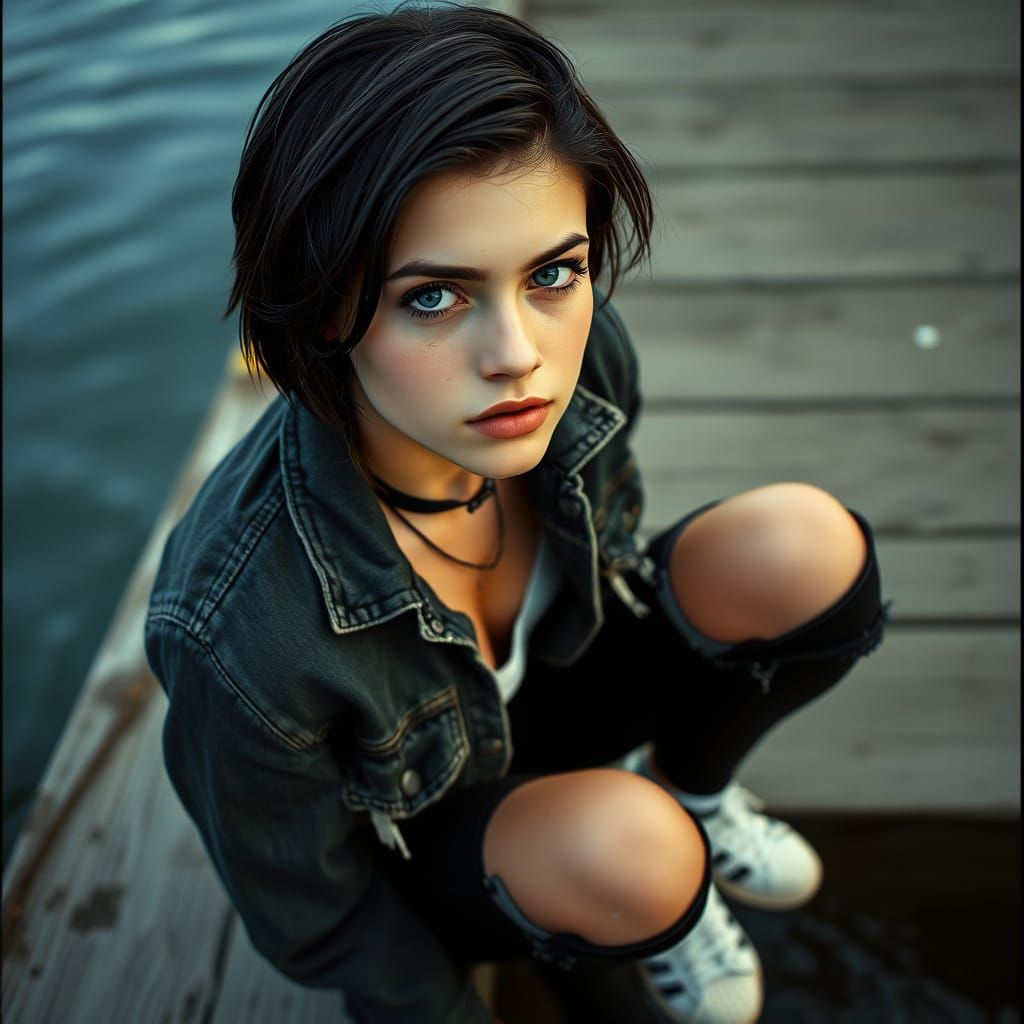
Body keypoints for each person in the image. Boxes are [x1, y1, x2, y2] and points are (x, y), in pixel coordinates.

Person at [144, 3, 891, 1023]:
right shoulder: (238, 630)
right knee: (626, 855)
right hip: (432, 829)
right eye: (435, 297)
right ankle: (615, 904)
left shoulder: (578, 364)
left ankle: (691, 802)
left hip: (547, 701)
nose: (518, 356)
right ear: (325, 304)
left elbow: (615, 558)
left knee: (803, 548)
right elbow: (313, 912)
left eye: (551, 273)